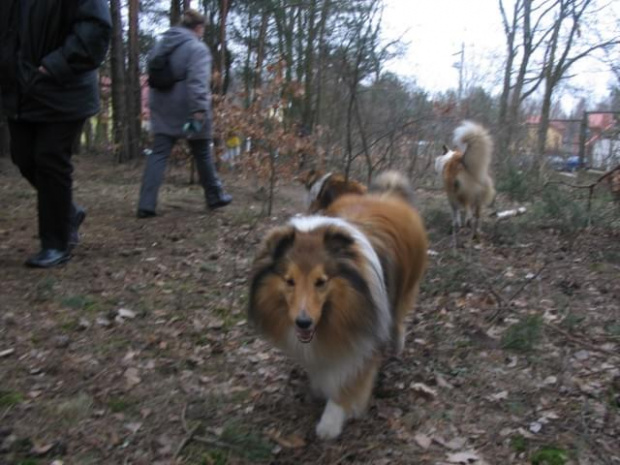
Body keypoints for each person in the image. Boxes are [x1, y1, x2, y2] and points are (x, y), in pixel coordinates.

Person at [0, 0, 112, 268]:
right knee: (23, 157)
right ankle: (68, 213)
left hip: (64, 87)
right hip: (20, 89)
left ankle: (56, 242)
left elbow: (96, 27)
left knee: (50, 158)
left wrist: (56, 65)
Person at [137, 9, 232, 218]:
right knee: (202, 150)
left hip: (162, 106)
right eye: (202, 30)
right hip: (187, 110)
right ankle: (214, 196)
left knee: (159, 154)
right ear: (198, 28)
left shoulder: (161, 45)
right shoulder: (197, 49)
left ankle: (146, 203)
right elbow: (198, 83)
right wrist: (198, 110)